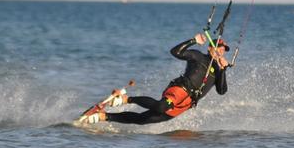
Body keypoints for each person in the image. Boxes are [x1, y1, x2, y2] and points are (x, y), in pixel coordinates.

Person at [87, 33, 229, 125]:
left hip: (186, 103)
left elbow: (222, 91)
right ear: (210, 48)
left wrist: (223, 70)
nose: (221, 51)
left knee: (143, 120)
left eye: (223, 50)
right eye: (219, 47)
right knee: (161, 106)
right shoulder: (199, 56)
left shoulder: (217, 71)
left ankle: (103, 116)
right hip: (179, 90)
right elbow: (175, 52)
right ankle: (124, 99)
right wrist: (193, 40)